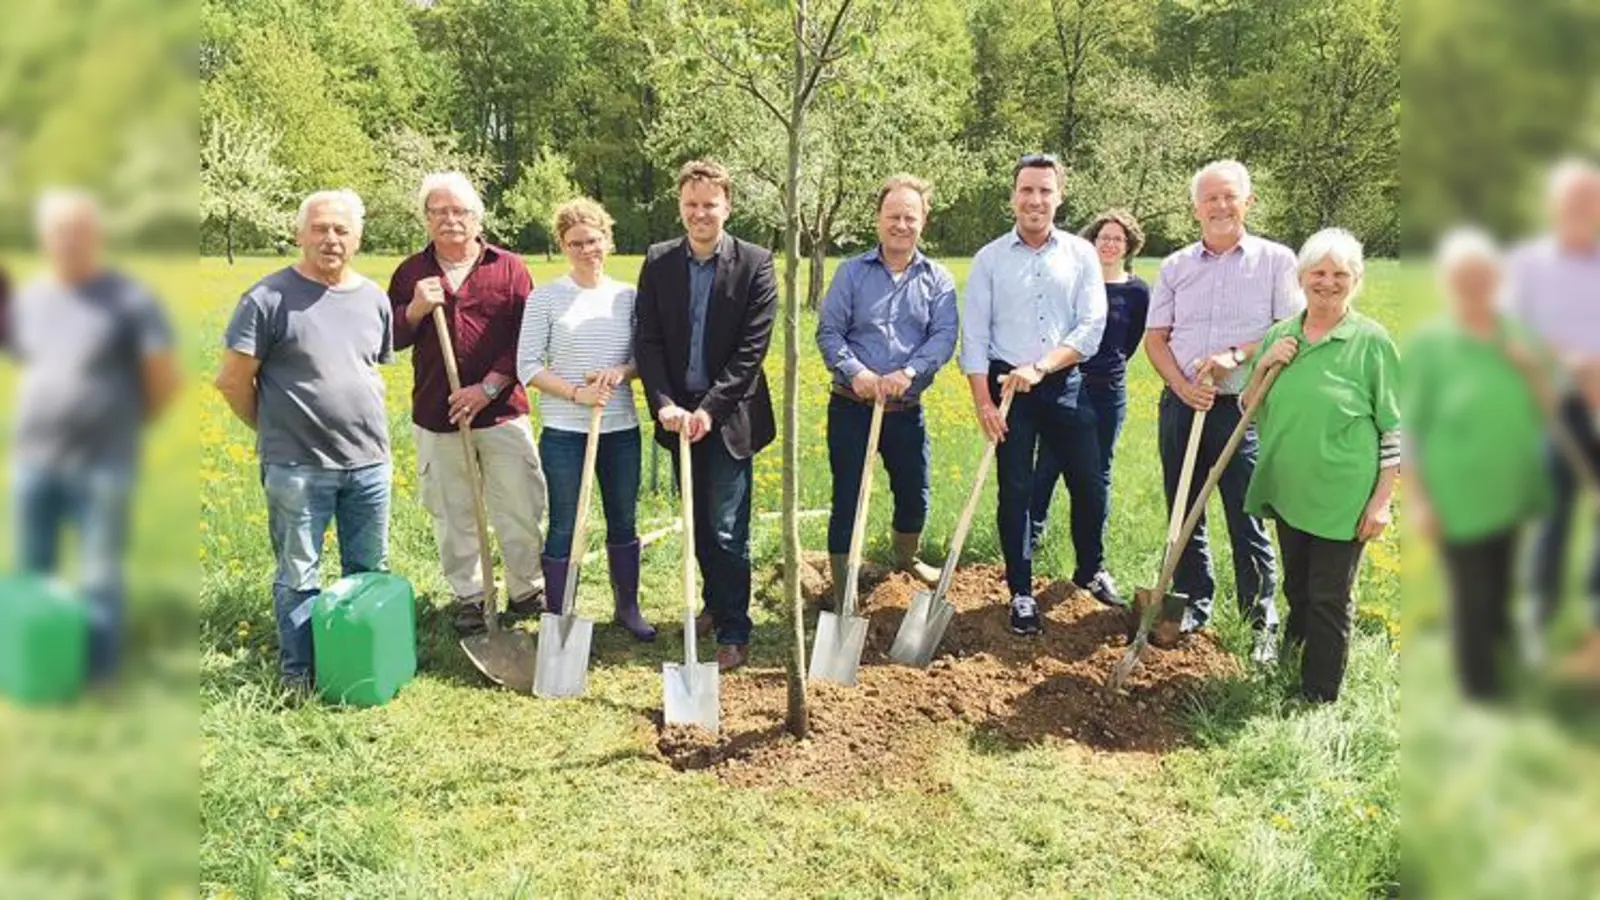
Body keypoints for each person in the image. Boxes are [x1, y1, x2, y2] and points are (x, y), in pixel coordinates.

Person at [215, 190, 393, 689]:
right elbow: (232, 381)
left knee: (368, 570)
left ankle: (362, 668)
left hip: (369, 463)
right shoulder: (266, 298)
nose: (330, 239)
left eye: (341, 230)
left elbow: (370, 370)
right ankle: (302, 675)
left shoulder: (374, 299)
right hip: (296, 466)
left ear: (357, 238)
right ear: (299, 234)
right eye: (320, 228)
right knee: (299, 573)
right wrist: (274, 431)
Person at [7, 189, 180, 682]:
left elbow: (162, 379)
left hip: (103, 462)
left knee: (99, 573)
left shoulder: (129, 300)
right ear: (46, 239)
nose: (69, 242)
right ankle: (37, 662)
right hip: (35, 460)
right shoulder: (33, 297)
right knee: (34, 570)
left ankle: (98, 675)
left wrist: (121, 426)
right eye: (59, 233)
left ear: (97, 238)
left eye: (79, 233)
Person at [1144, 159, 1304, 664]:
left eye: (1229, 196)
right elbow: (1155, 338)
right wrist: (1181, 385)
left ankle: (1260, 620)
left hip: (1241, 405)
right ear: (1196, 208)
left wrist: (1235, 354)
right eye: (1210, 198)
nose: (1220, 205)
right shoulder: (1175, 266)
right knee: (1184, 508)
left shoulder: (1276, 261)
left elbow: (1290, 330)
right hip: (1182, 404)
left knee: (1246, 512)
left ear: (1247, 202)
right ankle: (1193, 604)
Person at [1241, 228, 1400, 703]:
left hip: (1343, 496)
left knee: (1330, 597)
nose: (1328, 282)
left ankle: (1317, 694)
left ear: (1356, 280)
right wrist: (1267, 362)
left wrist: (1382, 501)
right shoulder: (1282, 334)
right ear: (1301, 278)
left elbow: (1395, 428)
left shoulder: (1371, 342)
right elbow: (1248, 407)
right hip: (1291, 488)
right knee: (1299, 588)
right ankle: (1293, 657)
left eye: (1339, 274)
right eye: (1318, 273)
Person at [387, 172, 548, 635]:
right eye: (439, 211)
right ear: (426, 219)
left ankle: (526, 588)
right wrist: (415, 308)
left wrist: (488, 388)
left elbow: (527, 337)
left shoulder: (510, 268)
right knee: (452, 509)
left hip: (502, 411)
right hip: (438, 414)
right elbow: (389, 338)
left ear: (477, 218)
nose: (450, 220)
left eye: (459, 211)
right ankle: (473, 596)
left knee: (519, 502)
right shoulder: (410, 274)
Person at [634, 159, 777, 671]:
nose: (700, 214)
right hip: (677, 416)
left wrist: (709, 410)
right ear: (680, 206)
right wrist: (666, 403)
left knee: (725, 528)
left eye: (709, 205)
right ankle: (715, 606)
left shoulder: (755, 263)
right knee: (695, 522)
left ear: (727, 206)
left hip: (729, 417)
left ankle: (735, 629)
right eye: (691, 205)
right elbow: (647, 340)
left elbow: (750, 352)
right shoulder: (658, 262)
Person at [960, 153, 1107, 637]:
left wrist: (1042, 367)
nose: (1035, 200)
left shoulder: (1082, 255)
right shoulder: (989, 259)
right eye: (1027, 190)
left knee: (1089, 482)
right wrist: (983, 401)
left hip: (1063, 382)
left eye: (1045, 191)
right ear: (1013, 197)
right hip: (1008, 392)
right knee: (1016, 492)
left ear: (1059, 196)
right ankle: (1021, 592)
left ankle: (1090, 570)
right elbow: (975, 337)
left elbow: (1091, 326)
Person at [1406, 228, 1552, 701]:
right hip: (1456, 491)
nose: (1475, 286)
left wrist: (1530, 369)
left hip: (1512, 486)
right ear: (1451, 284)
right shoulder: (1432, 345)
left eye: (1483, 276)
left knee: (1506, 576)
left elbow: (1550, 410)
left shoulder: (1519, 337)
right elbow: (1412, 427)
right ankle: (1480, 688)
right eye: (1464, 278)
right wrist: (1422, 500)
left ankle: (1502, 651)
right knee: (1472, 589)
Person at [815, 173, 959, 600]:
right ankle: (844, 587)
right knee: (848, 495)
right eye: (893, 215)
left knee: (914, 491)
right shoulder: (851, 274)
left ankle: (906, 557)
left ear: (923, 221)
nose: (901, 224)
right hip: (850, 406)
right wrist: (856, 372)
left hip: (905, 409)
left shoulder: (937, 279)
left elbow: (943, 337)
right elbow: (829, 333)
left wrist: (908, 373)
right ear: (878, 220)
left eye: (909, 217)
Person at [517, 198, 655, 641]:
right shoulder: (546, 298)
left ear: (607, 240)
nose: (586, 249)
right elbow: (528, 365)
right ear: (562, 245)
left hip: (620, 429)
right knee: (564, 521)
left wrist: (621, 372)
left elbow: (643, 358)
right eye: (575, 243)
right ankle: (560, 615)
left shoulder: (627, 297)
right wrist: (578, 393)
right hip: (565, 432)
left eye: (593, 240)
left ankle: (628, 608)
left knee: (623, 517)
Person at [1028, 209, 1151, 607]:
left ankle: (1091, 568)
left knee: (1096, 476)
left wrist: (1106, 368)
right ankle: (1028, 544)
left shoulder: (1136, 291)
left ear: (1128, 246)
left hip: (1108, 392)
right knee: (1047, 465)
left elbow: (1128, 342)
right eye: (1104, 237)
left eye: (1118, 239)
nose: (1110, 244)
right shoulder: (1075, 282)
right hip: (1065, 385)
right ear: (1092, 242)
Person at [1505, 158, 1600, 658]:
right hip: (1553, 407)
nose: (1582, 210)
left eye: (1590, 202)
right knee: (1552, 513)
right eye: (1572, 202)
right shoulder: (1530, 265)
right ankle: (1537, 617)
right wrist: (1569, 361)